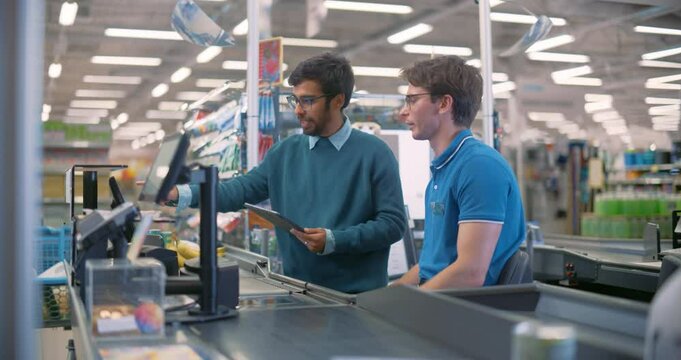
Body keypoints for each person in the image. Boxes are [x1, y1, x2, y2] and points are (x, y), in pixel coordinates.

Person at [167, 53, 406, 294]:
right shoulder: (283, 153)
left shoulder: (375, 153)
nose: (298, 111)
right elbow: (239, 190)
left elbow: (393, 224)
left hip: (359, 300)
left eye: (308, 101)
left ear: (337, 100)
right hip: (299, 294)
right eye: (295, 100)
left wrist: (335, 240)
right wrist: (180, 193)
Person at [392, 55, 526, 290]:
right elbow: (429, 265)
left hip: (465, 312)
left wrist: (408, 304)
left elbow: (470, 273)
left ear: (444, 104)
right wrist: (385, 297)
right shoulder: (445, 166)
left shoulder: (479, 166)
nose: (404, 112)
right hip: (440, 302)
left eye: (412, 100)